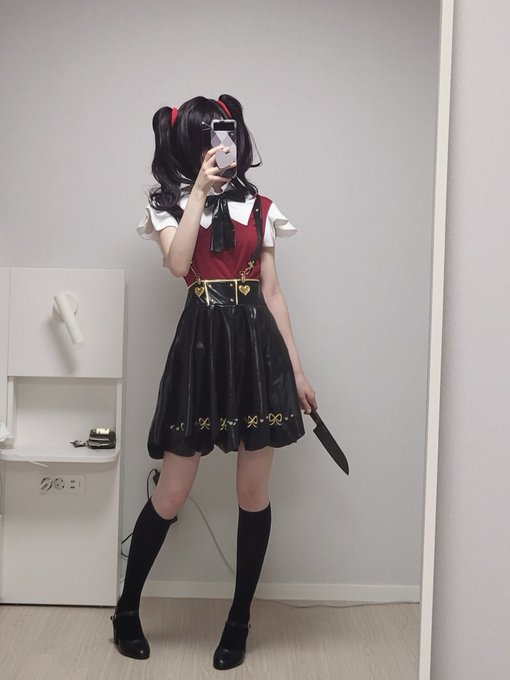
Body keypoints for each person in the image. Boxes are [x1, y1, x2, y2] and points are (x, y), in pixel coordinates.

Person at [111, 94, 317, 670]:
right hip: (202, 348)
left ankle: (239, 620)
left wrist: (297, 370)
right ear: (189, 145)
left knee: (252, 493)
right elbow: (179, 265)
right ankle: (126, 610)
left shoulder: (261, 207)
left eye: (226, 136)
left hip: (256, 348)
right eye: (208, 139)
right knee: (172, 492)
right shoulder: (168, 205)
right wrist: (199, 191)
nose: (220, 147)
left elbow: (272, 291)